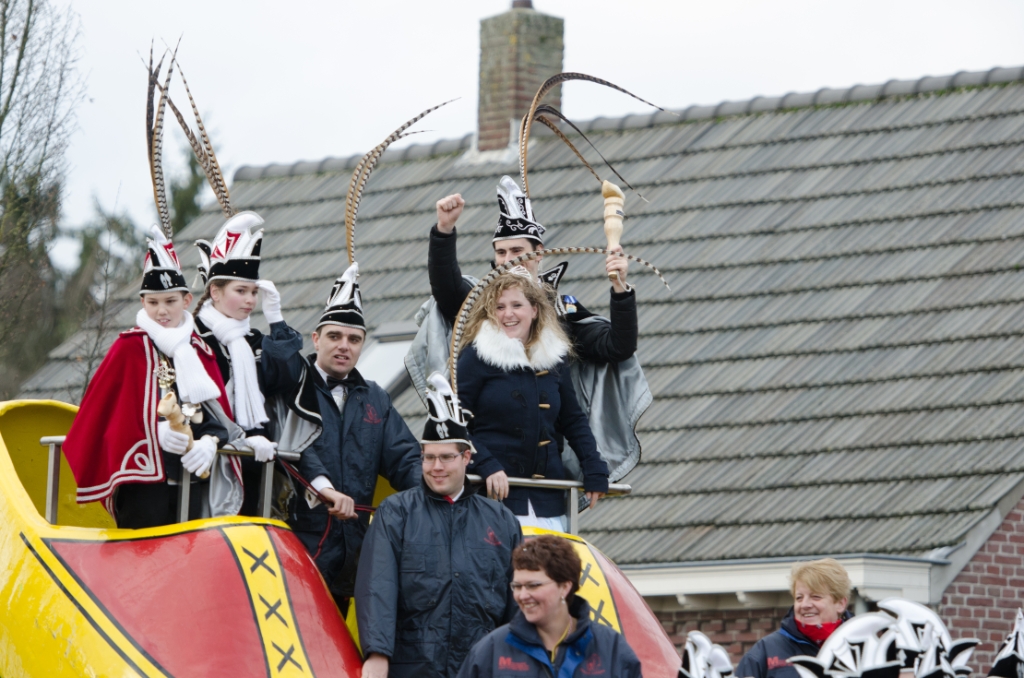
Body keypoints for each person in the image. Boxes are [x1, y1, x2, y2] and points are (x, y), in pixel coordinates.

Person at [261, 262, 421, 612]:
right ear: (315, 338)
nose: (344, 346)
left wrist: (438, 490)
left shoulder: (376, 397)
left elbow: (405, 458)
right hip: (294, 548)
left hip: (353, 555)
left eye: (354, 339)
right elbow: (294, 449)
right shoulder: (294, 385)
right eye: (334, 336)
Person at [63, 227, 241, 527]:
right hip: (143, 487)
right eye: (153, 302)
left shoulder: (199, 349)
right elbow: (100, 417)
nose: (161, 311)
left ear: (186, 300)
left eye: (170, 301)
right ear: (142, 302)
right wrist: (152, 434)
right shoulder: (127, 347)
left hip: (192, 481)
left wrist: (210, 442)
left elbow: (218, 416)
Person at [355, 373, 523, 678]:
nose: (436, 467)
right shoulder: (396, 512)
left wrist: (520, 659)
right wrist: (377, 654)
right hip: (412, 665)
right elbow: (377, 586)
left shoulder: (501, 520)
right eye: (428, 457)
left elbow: (518, 597)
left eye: (446, 457)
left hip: (483, 664)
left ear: (467, 457)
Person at [457, 269, 609, 530]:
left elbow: (572, 420)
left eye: (517, 305)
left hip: (548, 500)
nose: (508, 314)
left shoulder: (554, 358)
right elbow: (455, 424)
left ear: (534, 310)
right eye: (500, 307)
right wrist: (486, 465)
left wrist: (594, 467)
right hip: (492, 499)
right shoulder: (475, 357)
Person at [191, 210, 300, 515]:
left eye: (254, 291)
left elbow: (289, 379)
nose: (251, 300)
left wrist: (277, 321)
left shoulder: (254, 339)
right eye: (241, 291)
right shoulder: (192, 339)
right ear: (215, 291)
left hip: (254, 466)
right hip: (205, 468)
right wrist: (231, 438)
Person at [456, 534, 642, 678]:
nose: (522, 595)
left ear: (565, 587)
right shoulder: (491, 649)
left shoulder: (611, 648)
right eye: (517, 586)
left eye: (533, 585)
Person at [735, 558, 853, 678]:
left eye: (816, 596)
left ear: (840, 603)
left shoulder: (863, 648)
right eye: (799, 598)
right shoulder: (764, 652)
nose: (805, 604)